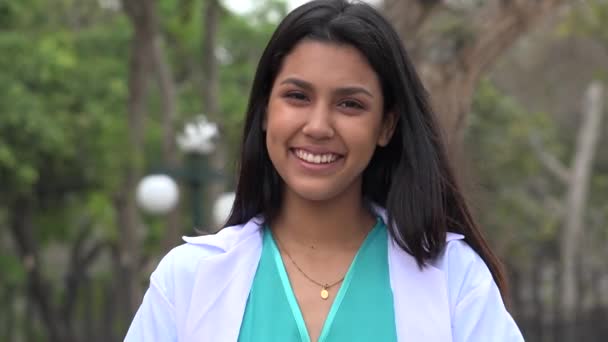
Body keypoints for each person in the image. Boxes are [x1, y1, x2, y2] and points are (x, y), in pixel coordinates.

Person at [125, 0, 525, 341]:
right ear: (266, 111)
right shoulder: (188, 280)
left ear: (386, 125)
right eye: (297, 97)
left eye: (350, 104)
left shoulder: (454, 277)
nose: (318, 126)